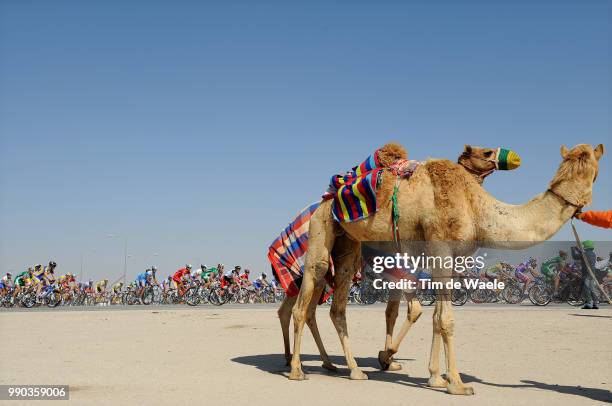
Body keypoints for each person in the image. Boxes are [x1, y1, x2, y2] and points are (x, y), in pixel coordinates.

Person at [572, 240, 599, 309]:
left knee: (586, 288)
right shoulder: (593, 254)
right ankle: (595, 303)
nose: (583, 247)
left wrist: (573, 249)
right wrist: (578, 249)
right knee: (592, 288)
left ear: (586, 247)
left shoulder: (585, 254)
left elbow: (575, 257)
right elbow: (583, 255)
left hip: (586, 273)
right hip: (592, 273)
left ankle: (589, 303)